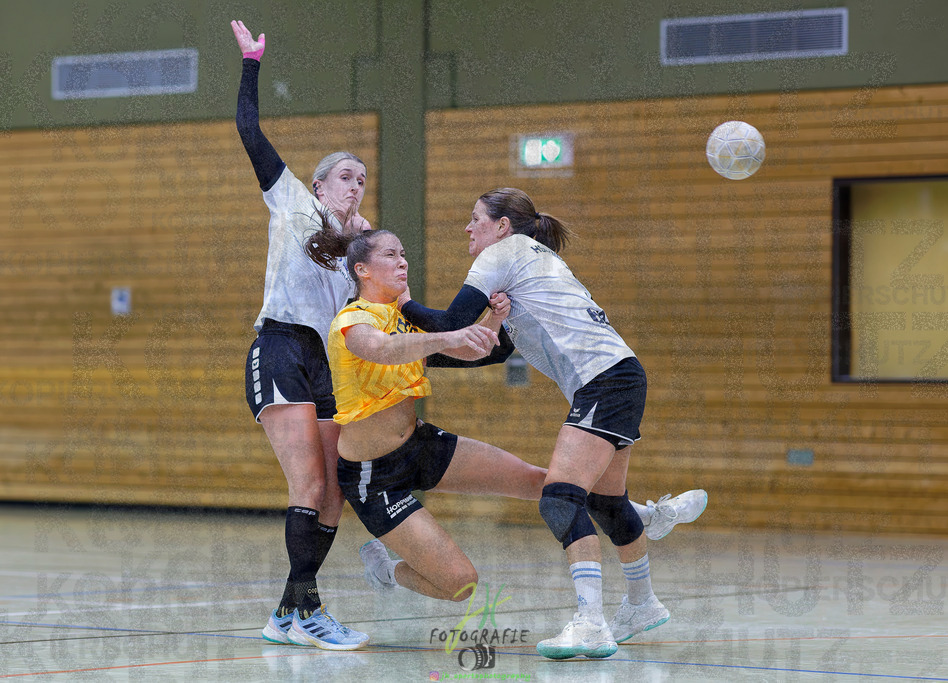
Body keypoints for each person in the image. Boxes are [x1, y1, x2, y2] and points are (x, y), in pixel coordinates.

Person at [398, 188, 708, 659]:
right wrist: (412, 359)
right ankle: (642, 602)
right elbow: (492, 352)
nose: (468, 227)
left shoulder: (502, 254)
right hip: (621, 376)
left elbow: (450, 321)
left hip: (604, 381)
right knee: (606, 503)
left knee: (560, 499)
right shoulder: (531, 261)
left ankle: (591, 623)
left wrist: (402, 303)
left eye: (476, 218)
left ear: (502, 226)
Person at [232, 19, 372, 650]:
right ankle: (308, 613)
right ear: (319, 185)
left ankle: (287, 614)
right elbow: (249, 131)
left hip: (327, 362)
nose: (355, 185)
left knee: (334, 491)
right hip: (281, 347)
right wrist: (252, 65)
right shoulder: (292, 200)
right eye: (345, 176)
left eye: (362, 179)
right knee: (308, 485)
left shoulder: (361, 247)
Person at [323, 229, 550, 602]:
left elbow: (472, 351)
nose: (402, 262)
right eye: (390, 255)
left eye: (403, 254)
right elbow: (383, 349)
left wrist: (494, 317)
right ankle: (386, 570)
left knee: (537, 480)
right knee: (461, 584)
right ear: (362, 270)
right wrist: (449, 335)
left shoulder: (405, 318)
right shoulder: (353, 319)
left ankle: (624, 512)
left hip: (420, 445)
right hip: (375, 476)